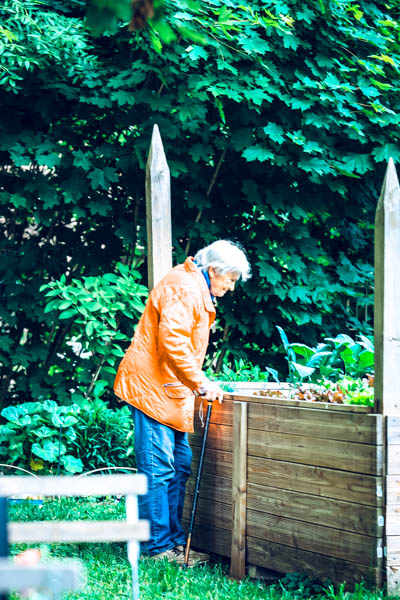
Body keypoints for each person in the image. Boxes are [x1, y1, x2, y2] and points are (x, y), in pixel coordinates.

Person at [114, 240, 251, 565]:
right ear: (213, 270)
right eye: (230, 279)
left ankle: (175, 544)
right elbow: (172, 342)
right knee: (158, 470)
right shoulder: (183, 286)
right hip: (152, 390)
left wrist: (194, 382)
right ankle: (156, 548)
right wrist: (200, 382)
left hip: (170, 391)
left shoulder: (194, 285)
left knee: (178, 467)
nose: (231, 287)